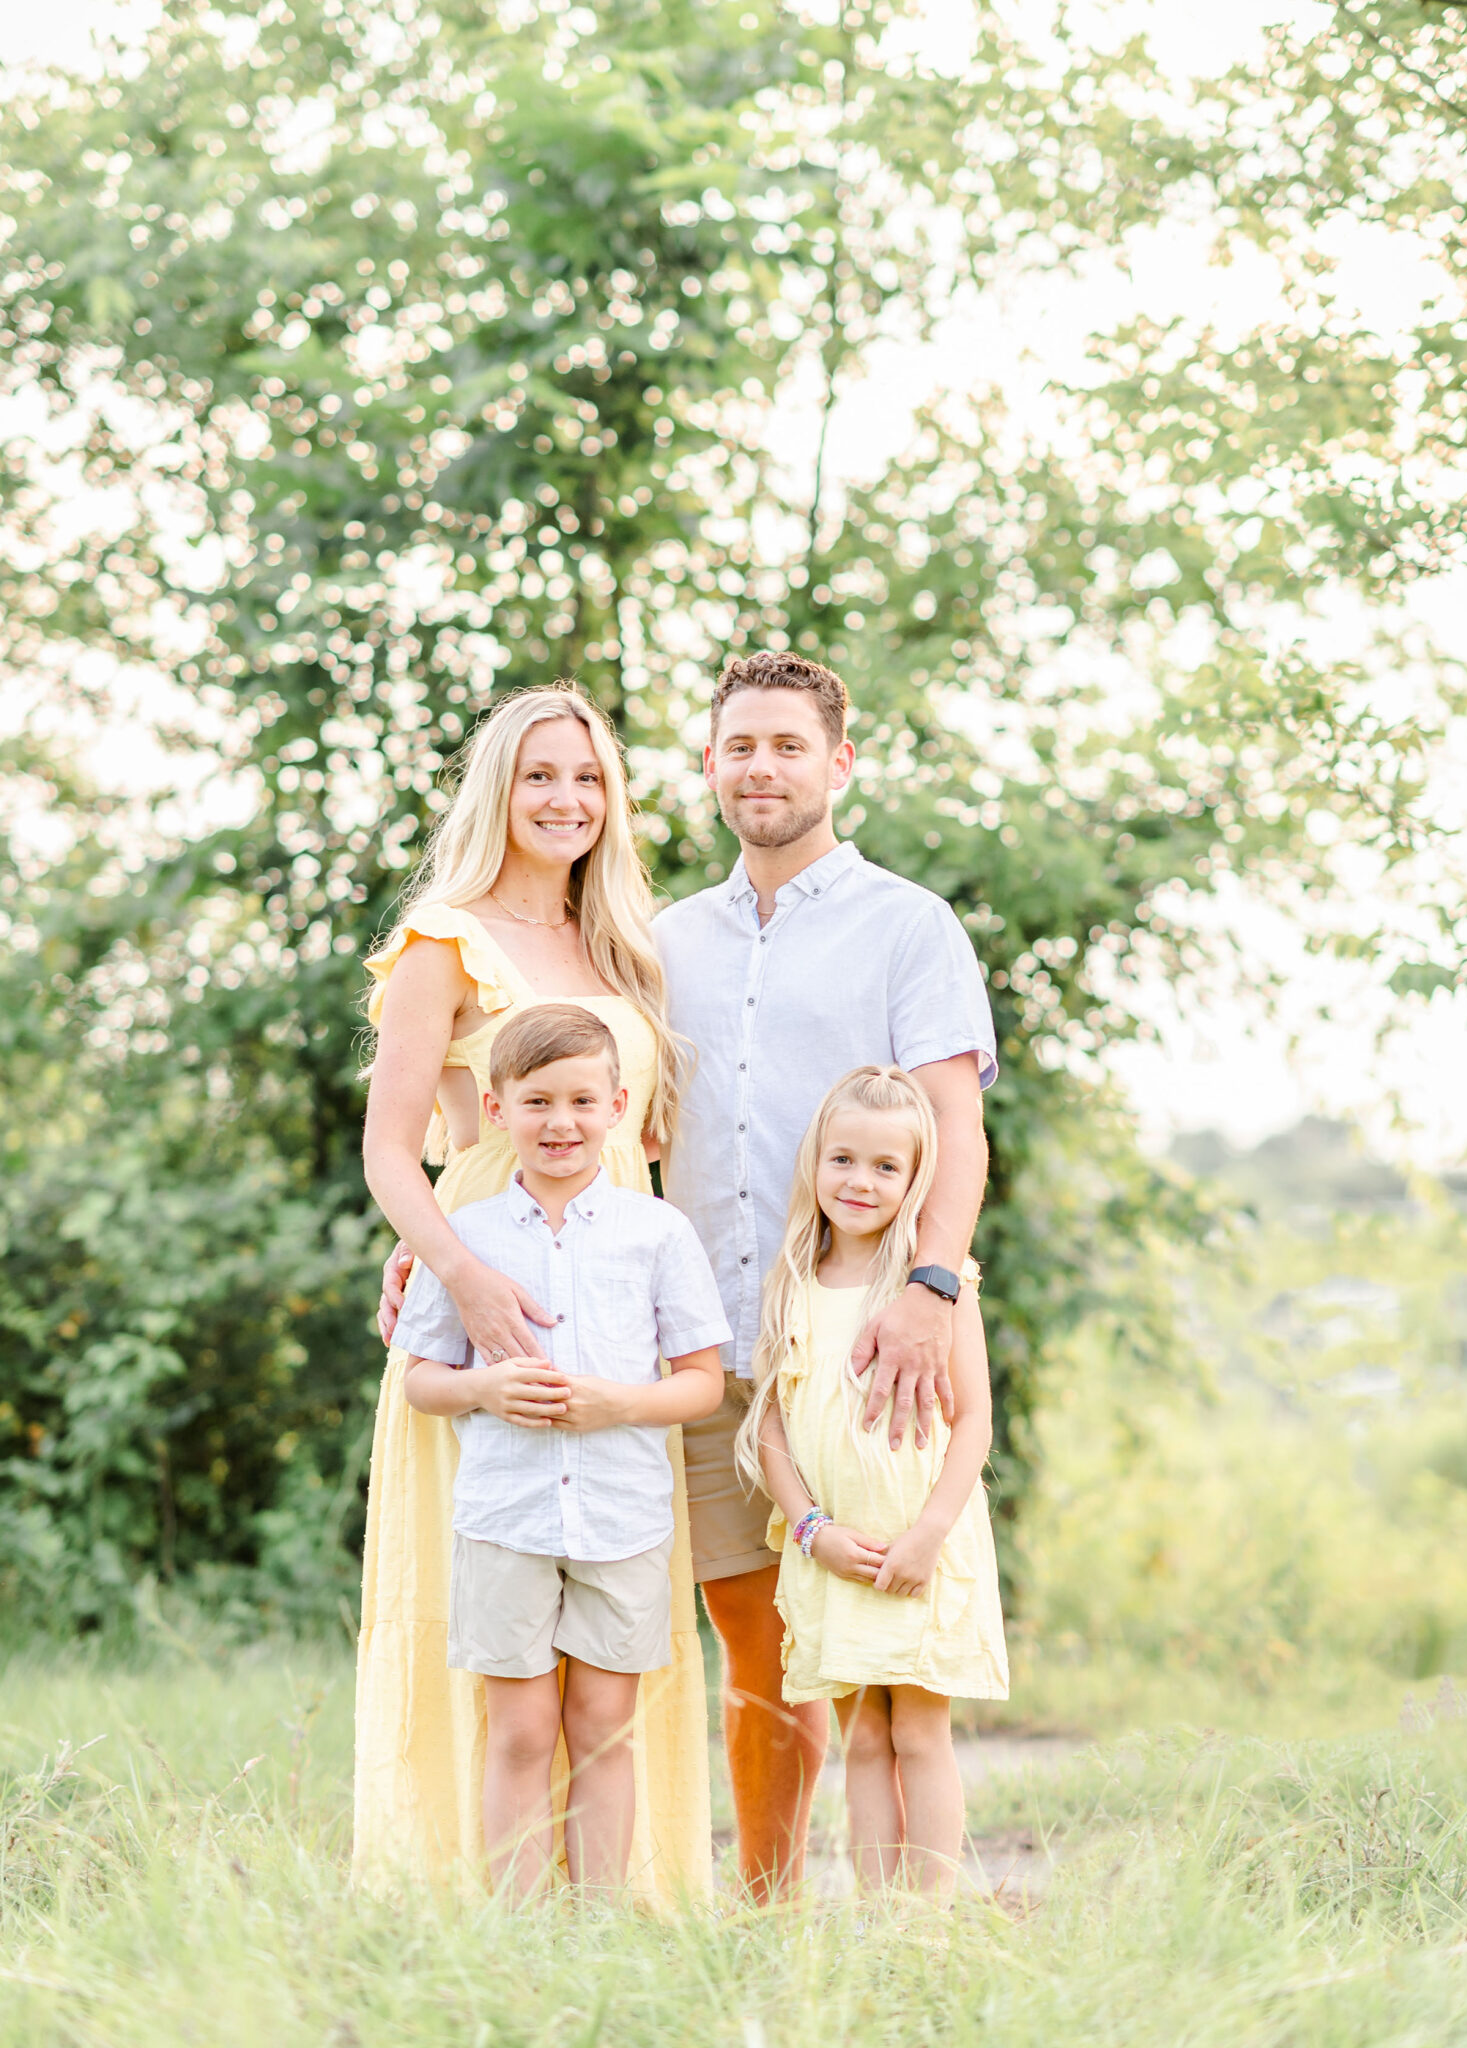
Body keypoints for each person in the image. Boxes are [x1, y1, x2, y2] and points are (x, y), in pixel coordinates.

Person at [379, 649, 998, 1901]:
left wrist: (932, 1289)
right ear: (709, 767)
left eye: (788, 745)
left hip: (854, 1337)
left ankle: (904, 1921)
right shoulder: (654, 946)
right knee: (745, 1643)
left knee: (875, 1648)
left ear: (840, 759)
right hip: (681, 1342)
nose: (761, 767)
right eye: (739, 747)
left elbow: (957, 1128)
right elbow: (556, 1111)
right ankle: (763, 1913)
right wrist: (442, 1235)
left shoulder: (907, 925)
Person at [355, 685, 715, 1905]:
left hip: (616, 1302)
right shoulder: (443, 939)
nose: (567, 800)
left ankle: (620, 1899)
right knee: (497, 1628)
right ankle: (472, 1899)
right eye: (540, 776)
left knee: (612, 1626)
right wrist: (452, 1268)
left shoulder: (629, 946)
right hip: (489, 1298)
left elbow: (653, 1145)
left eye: (590, 778)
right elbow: (394, 1148)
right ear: (498, 790)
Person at [395, 1004, 728, 1897]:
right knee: (520, 1732)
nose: (561, 1123)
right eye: (537, 1101)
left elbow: (702, 1380)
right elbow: (422, 1377)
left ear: (618, 1106)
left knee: (604, 1725)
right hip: (507, 1518)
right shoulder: (465, 1236)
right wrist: (483, 1389)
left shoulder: (657, 1233)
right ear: (497, 1110)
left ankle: (602, 1926)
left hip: (622, 1518)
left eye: (583, 1100)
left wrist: (618, 1405)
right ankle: (517, 1928)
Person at [737, 1066, 1008, 1896]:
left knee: (920, 1735)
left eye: (886, 1168)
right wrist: (813, 1531)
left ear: (916, 1179)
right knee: (860, 1739)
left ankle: (926, 1922)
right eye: (843, 1159)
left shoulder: (938, 1287)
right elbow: (773, 1424)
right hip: (837, 1550)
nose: (860, 1181)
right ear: (815, 1162)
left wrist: (928, 1534)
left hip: (921, 1541)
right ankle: (879, 1915)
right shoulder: (790, 1281)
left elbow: (973, 1422)